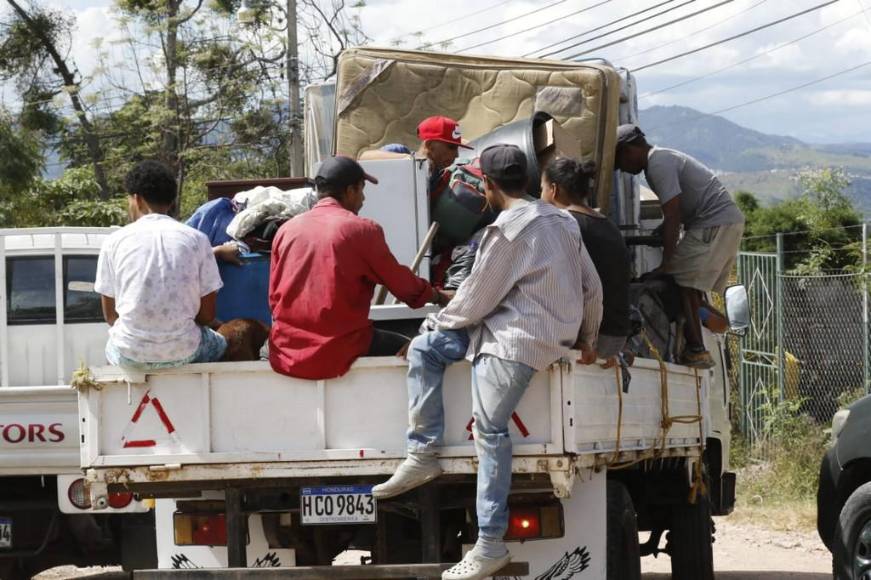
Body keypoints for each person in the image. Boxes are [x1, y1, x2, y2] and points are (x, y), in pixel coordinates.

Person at [373, 144, 600, 580]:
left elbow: (474, 301)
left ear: (489, 187)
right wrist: (588, 337)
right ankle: (423, 452)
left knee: (491, 431)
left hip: (513, 342)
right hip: (523, 333)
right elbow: (593, 286)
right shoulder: (563, 220)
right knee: (427, 352)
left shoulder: (505, 232)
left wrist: (430, 324)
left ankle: (490, 544)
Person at [268, 156, 451, 380]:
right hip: (341, 347)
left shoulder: (286, 230)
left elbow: (274, 299)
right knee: (412, 346)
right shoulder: (361, 230)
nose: (363, 199)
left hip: (285, 349)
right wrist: (438, 295)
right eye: (362, 190)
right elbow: (403, 286)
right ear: (350, 190)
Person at [614, 124, 744, 369]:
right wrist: (661, 232)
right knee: (690, 287)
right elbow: (678, 213)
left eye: (621, 162)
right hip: (722, 222)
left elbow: (673, 215)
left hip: (714, 223)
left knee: (681, 281)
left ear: (630, 150)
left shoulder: (657, 165)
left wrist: (666, 263)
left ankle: (697, 350)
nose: (624, 170)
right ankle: (705, 318)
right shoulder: (663, 158)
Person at [94, 160, 227, 369]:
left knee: (111, 345)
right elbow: (207, 316)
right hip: (186, 352)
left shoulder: (113, 242)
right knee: (221, 342)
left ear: (137, 199)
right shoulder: (198, 240)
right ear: (171, 201)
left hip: (129, 354)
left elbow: (111, 317)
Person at [541, 157, 629, 365]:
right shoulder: (609, 226)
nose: (540, 196)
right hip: (616, 337)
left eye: (541, 189)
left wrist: (586, 340)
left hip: (590, 339)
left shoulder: (564, 223)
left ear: (554, 189)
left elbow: (589, 290)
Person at [359, 116, 473, 189]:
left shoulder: (439, 175)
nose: (456, 155)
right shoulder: (398, 151)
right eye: (452, 147)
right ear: (430, 146)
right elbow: (364, 157)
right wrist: (413, 162)